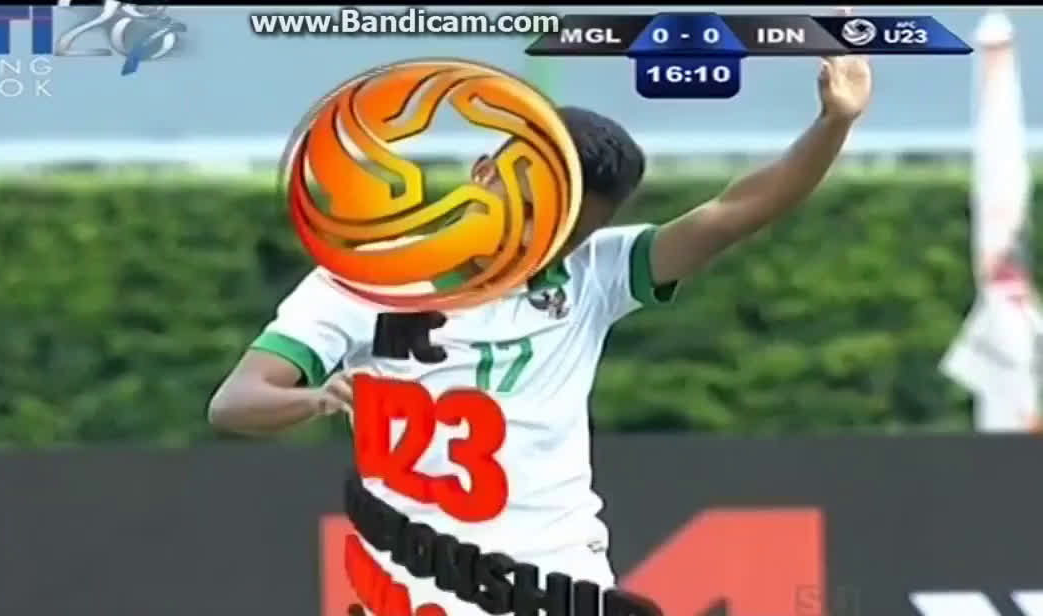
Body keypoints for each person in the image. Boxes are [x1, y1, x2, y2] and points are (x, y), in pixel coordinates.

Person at [208, 52, 872, 615]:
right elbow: (235, 402)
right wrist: (315, 397)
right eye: (528, 209)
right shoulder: (362, 281)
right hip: (417, 587)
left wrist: (833, 123)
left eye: (566, 232)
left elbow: (734, 212)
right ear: (483, 173)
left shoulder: (595, 275)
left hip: (559, 584)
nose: (535, 239)